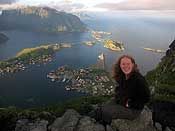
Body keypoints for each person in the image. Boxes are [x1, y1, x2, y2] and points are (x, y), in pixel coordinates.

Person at [93, 54, 150, 127]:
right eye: (123, 64)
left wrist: (130, 104)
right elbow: (120, 90)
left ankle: (103, 124)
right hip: (121, 101)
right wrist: (119, 97)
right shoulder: (123, 76)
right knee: (102, 107)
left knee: (105, 111)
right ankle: (99, 119)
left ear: (133, 65)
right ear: (120, 65)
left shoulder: (138, 79)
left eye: (128, 64)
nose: (126, 66)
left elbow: (147, 98)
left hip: (133, 110)